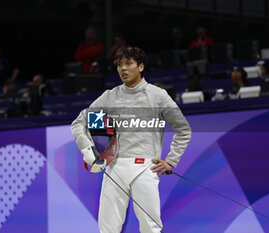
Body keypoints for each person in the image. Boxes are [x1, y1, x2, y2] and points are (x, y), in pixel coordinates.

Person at [71, 47, 191, 233]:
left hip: (145, 167)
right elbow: (79, 123)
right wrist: (88, 150)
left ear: (141, 66)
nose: (123, 69)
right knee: (108, 229)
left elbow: (183, 129)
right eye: (119, 65)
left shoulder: (157, 96)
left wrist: (172, 160)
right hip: (114, 168)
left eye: (128, 63)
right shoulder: (110, 97)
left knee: (151, 228)